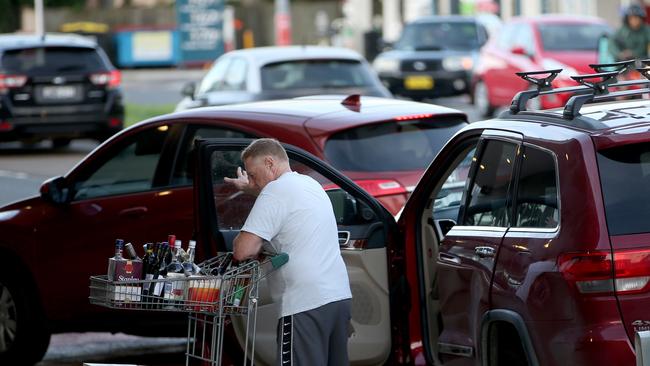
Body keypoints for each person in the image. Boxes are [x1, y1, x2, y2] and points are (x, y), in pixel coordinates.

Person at [224, 138, 352, 366]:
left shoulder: (275, 191)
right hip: (337, 297)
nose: (252, 180)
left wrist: (260, 193)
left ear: (270, 163)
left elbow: (243, 251)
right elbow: (284, 209)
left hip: (304, 303)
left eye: (253, 174)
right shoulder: (309, 184)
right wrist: (254, 190)